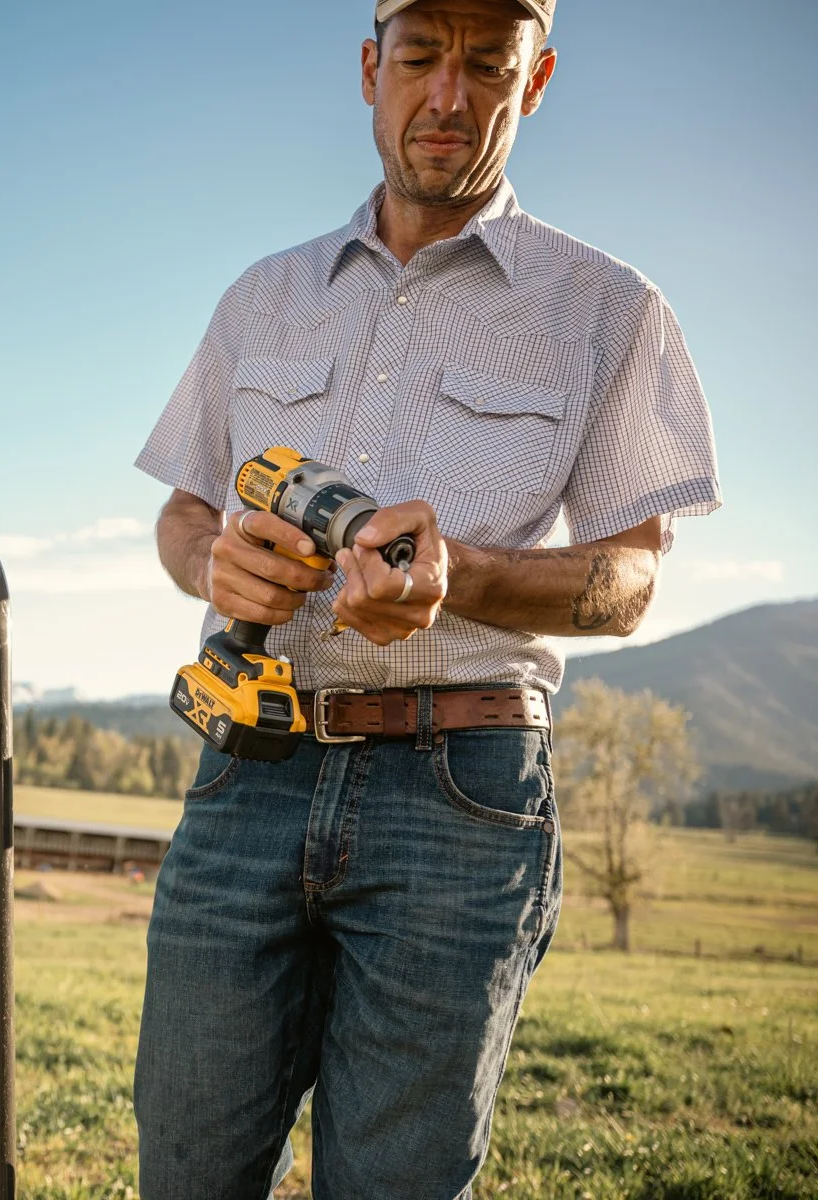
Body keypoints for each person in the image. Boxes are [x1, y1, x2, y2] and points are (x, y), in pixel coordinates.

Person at [132, 0, 719, 1195]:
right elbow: (184, 510)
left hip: (461, 799)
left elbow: (630, 585)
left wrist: (466, 577)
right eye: (420, 58)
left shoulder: (611, 311)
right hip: (246, 764)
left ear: (536, 78)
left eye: (486, 64)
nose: (448, 96)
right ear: (370, 67)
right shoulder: (265, 296)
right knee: (184, 1166)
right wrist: (211, 563)